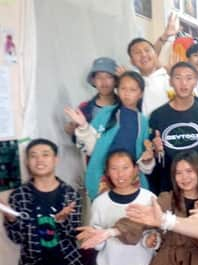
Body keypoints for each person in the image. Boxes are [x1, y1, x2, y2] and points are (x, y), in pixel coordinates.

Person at [3, 139, 85, 265]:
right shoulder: (20, 195)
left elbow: (74, 233)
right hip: (34, 264)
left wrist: (61, 222)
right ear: (27, 162)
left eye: (45, 155)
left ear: (55, 160)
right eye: (33, 156)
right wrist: (11, 219)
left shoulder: (69, 194)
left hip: (65, 262)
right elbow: (16, 238)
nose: (39, 160)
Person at [78, 150, 159, 265]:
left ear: (135, 169)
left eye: (125, 168)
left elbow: (156, 233)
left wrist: (151, 240)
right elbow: (98, 242)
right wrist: (93, 238)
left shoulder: (149, 198)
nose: (120, 174)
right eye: (114, 168)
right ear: (107, 172)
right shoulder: (100, 202)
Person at [66, 71, 153, 200]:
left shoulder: (143, 122)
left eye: (133, 89)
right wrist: (84, 126)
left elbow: (144, 159)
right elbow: (91, 149)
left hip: (132, 180)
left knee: (133, 216)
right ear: (117, 90)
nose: (127, 93)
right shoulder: (106, 113)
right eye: (123, 88)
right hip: (103, 177)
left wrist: (148, 159)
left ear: (140, 94)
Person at [147, 61, 198, 193]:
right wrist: (156, 151)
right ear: (170, 82)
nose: (183, 83)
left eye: (189, 78)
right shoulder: (157, 115)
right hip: (170, 187)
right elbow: (154, 158)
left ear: (196, 81)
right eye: (178, 78)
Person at [64, 57, 118, 137]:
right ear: (93, 81)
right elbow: (80, 139)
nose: (104, 81)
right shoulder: (84, 108)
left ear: (116, 80)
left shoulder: (126, 105)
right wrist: (72, 129)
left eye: (109, 77)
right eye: (99, 77)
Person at [126, 37, 171, 115]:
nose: (143, 55)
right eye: (137, 52)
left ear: (155, 54)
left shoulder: (170, 79)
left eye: (147, 50)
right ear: (132, 61)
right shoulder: (132, 84)